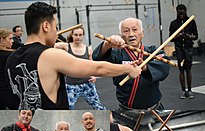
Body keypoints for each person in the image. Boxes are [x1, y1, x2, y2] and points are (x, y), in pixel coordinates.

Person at [5, 2, 141, 110]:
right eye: (56, 27)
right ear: (46, 26)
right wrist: (128, 69)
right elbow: (98, 68)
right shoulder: (50, 55)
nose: (56, 32)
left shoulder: (11, 59)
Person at [93, 17, 170, 111]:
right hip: (126, 110)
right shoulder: (116, 54)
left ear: (142, 33)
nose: (131, 34)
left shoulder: (152, 51)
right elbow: (97, 59)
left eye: (135, 30)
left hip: (154, 109)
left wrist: (145, 67)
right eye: (126, 31)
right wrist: (107, 44)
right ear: (120, 36)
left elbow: (164, 66)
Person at [55, 26, 106, 110]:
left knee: (98, 107)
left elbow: (92, 65)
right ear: (72, 35)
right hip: (71, 85)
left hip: (87, 84)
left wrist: (93, 76)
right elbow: (50, 44)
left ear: (83, 36)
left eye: (80, 35)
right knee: (68, 108)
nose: (78, 37)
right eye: (76, 35)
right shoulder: (66, 46)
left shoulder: (88, 49)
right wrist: (54, 35)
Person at [169, 4, 198, 99]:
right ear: (177, 12)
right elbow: (171, 38)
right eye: (179, 11)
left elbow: (196, 36)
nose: (181, 13)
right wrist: (179, 35)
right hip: (179, 49)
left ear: (185, 11)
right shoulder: (173, 23)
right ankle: (183, 91)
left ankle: (189, 90)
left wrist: (188, 36)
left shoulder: (191, 22)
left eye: (182, 11)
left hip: (188, 48)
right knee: (181, 70)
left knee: (188, 69)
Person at [0, 28, 14, 109]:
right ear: (2, 40)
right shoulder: (10, 55)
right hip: (6, 92)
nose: (12, 41)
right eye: (10, 39)